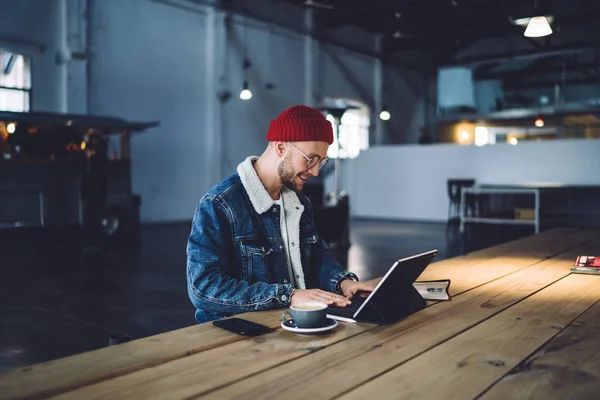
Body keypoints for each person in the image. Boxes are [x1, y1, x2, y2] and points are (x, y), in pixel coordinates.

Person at [186, 105, 374, 324]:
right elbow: (204, 287)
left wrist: (345, 283)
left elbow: (317, 255)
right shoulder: (219, 204)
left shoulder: (298, 202)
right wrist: (289, 295)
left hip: (293, 323)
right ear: (281, 147)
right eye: (310, 159)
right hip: (239, 332)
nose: (315, 172)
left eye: (321, 162)